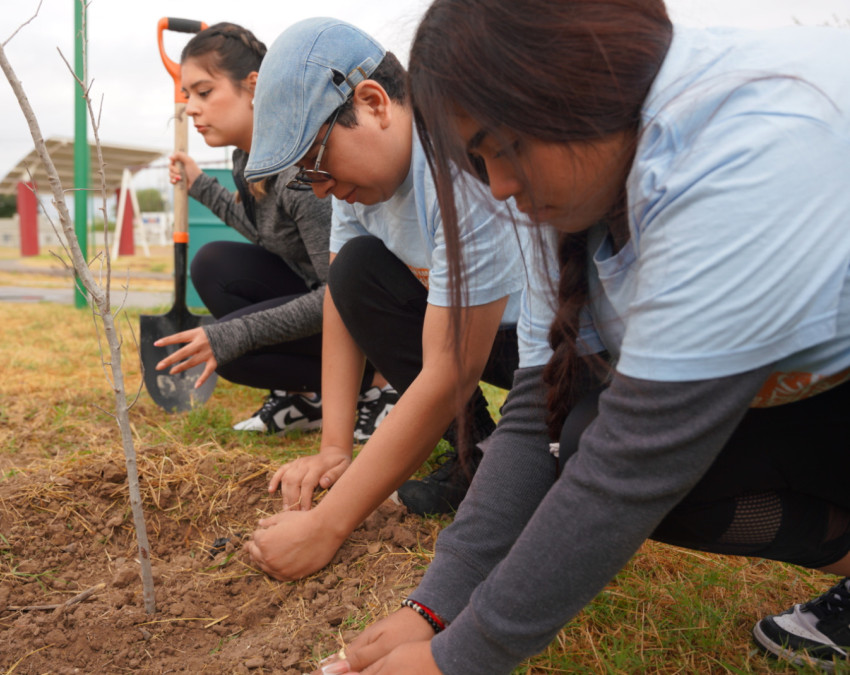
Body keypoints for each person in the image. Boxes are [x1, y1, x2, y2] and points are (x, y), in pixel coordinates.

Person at [319, 1, 850, 674]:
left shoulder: (742, 155)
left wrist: (457, 658)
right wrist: (436, 602)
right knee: (575, 434)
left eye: (502, 146)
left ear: (575, 84)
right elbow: (538, 410)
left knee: (607, 452)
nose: (501, 185)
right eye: (478, 161)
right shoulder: (580, 171)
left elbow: (632, 465)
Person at [242, 18, 524, 581]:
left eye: (317, 163)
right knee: (355, 274)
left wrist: (328, 526)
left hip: (547, 349)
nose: (319, 187)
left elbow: (450, 368)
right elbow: (343, 302)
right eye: (305, 176)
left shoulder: (457, 166)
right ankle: (475, 454)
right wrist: (332, 448)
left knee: (547, 470)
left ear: (372, 102)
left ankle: (515, 461)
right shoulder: (357, 189)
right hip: (470, 334)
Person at [152, 22, 394, 440]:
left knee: (230, 353)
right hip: (323, 296)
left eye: (204, 92)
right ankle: (310, 398)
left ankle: (380, 388)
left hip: (371, 316)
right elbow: (266, 232)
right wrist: (201, 187)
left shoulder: (303, 174)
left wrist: (234, 334)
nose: (190, 107)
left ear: (253, 86)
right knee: (215, 265)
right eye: (187, 94)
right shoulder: (245, 160)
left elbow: (339, 293)